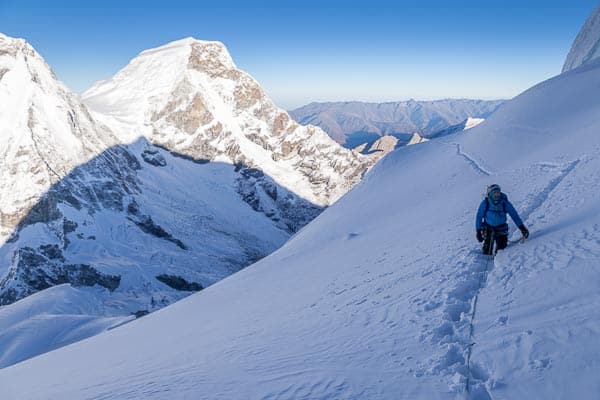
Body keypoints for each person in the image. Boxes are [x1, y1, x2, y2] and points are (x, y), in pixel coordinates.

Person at [475, 184, 529, 255]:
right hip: (488, 228)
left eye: (498, 192)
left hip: (501, 228)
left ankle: (499, 259)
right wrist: (478, 231)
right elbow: (479, 217)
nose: (497, 194)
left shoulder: (504, 203)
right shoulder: (485, 203)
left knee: (502, 249)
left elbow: (514, 215)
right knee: (487, 250)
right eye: (495, 193)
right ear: (490, 194)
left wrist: (522, 228)